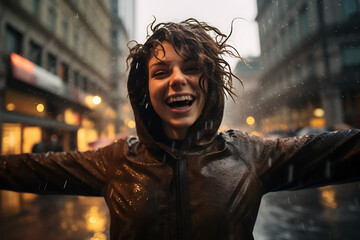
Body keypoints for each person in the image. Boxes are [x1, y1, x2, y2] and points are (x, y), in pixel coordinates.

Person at [0, 18, 360, 240]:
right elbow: (22, 169)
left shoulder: (252, 154)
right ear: (145, 91)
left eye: (191, 68)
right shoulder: (115, 161)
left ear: (210, 82)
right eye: (161, 72)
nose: (177, 80)